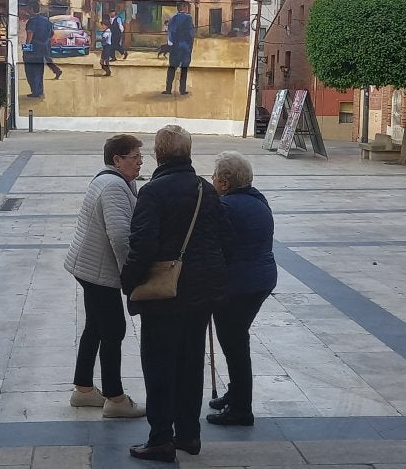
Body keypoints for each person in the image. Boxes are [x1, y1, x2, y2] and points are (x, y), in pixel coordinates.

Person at [122, 125, 229, 462]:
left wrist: (129, 283)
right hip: (202, 293)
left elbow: (141, 243)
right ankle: (188, 434)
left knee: (159, 365)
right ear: (188, 150)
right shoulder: (206, 190)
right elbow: (225, 238)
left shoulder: (153, 192)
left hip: (165, 294)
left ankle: (160, 439)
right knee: (190, 362)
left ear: (160, 153)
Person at [64, 134, 146, 418]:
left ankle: (84, 390)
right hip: (98, 271)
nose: (139, 163)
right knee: (113, 330)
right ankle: (115, 398)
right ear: (117, 160)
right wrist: (130, 275)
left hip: (88, 266)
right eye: (134, 157)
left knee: (96, 327)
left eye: (140, 157)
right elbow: (121, 236)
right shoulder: (113, 186)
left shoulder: (114, 180)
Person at [206, 151, 276, 426]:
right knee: (236, 339)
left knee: (234, 344)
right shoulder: (256, 198)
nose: (211, 182)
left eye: (213, 177)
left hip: (240, 284)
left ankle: (241, 409)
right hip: (261, 278)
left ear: (224, 182)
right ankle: (235, 394)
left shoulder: (227, 207)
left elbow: (216, 245)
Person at [164, 2, 195, 95]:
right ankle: (182, 90)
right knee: (184, 68)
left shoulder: (173, 18)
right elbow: (191, 34)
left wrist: (171, 44)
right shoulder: (189, 18)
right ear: (184, 7)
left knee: (172, 67)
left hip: (175, 47)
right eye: (186, 7)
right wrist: (190, 46)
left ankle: (168, 89)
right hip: (185, 47)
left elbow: (171, 32)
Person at [23, 11, 54, 98]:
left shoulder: (32, 21)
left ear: (31, 9)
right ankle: (40, 91)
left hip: (33, 49)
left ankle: (35, 92)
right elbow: (51, 34)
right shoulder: (47, 22)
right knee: (39, 71)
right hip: (43, 48)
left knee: (30, 71)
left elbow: (29, 35)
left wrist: (25, 49)